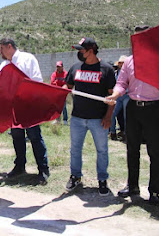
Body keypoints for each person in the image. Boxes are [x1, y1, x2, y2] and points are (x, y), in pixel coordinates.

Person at [106, 25, 159, 206]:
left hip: (154, 109)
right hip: (133, 107)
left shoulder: (157, 57)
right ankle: (133, 186)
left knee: (155, 151)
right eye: (134, 39)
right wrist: (114, 95)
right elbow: (121, 83)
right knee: (132, 149)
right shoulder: (129, 61)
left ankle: (154, 191)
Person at [64, 37, 116, 196]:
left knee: (101, 150)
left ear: (91, 50)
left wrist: (108, 117)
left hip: (98, 119)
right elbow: (68, 86)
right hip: (78, 118)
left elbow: (112, 97)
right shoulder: (75, 68)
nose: (79, 53)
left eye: (81, 50)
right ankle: (75, 176)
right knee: (75, 149)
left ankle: (102, 179)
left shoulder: (106, 69)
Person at [0, 38, 50, 184]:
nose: (0, 52)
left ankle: (43, 169)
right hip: (13, 108)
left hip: (29, 105)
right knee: (17, 136)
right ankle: (20, 166)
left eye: (2, 48)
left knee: (34, 136)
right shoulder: (4, 65)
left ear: (9, 46)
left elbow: (37, 80)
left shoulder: (27, 58)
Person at [109, 55, 129, 141]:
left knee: (126, 115)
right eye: (120, 63)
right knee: (112, 113)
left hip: (127, 95)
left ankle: (126, 133)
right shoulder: (116, 73)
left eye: (123, 63)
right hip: (118, 96)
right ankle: (112, 132)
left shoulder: (129, 73)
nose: (121, 64)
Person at [50, 61, 69, 125]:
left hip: (63, 92)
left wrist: (58, 82)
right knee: (57, 107)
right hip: (56, 92)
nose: (58, 68)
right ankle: (57, 120)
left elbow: (66, 83)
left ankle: (65, 120)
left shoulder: (65, 74)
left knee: (63, 106)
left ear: (62, 67)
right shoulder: (54, 74)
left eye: (59, 67)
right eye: (57, 67)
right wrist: (59, 83)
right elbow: (52, 83)